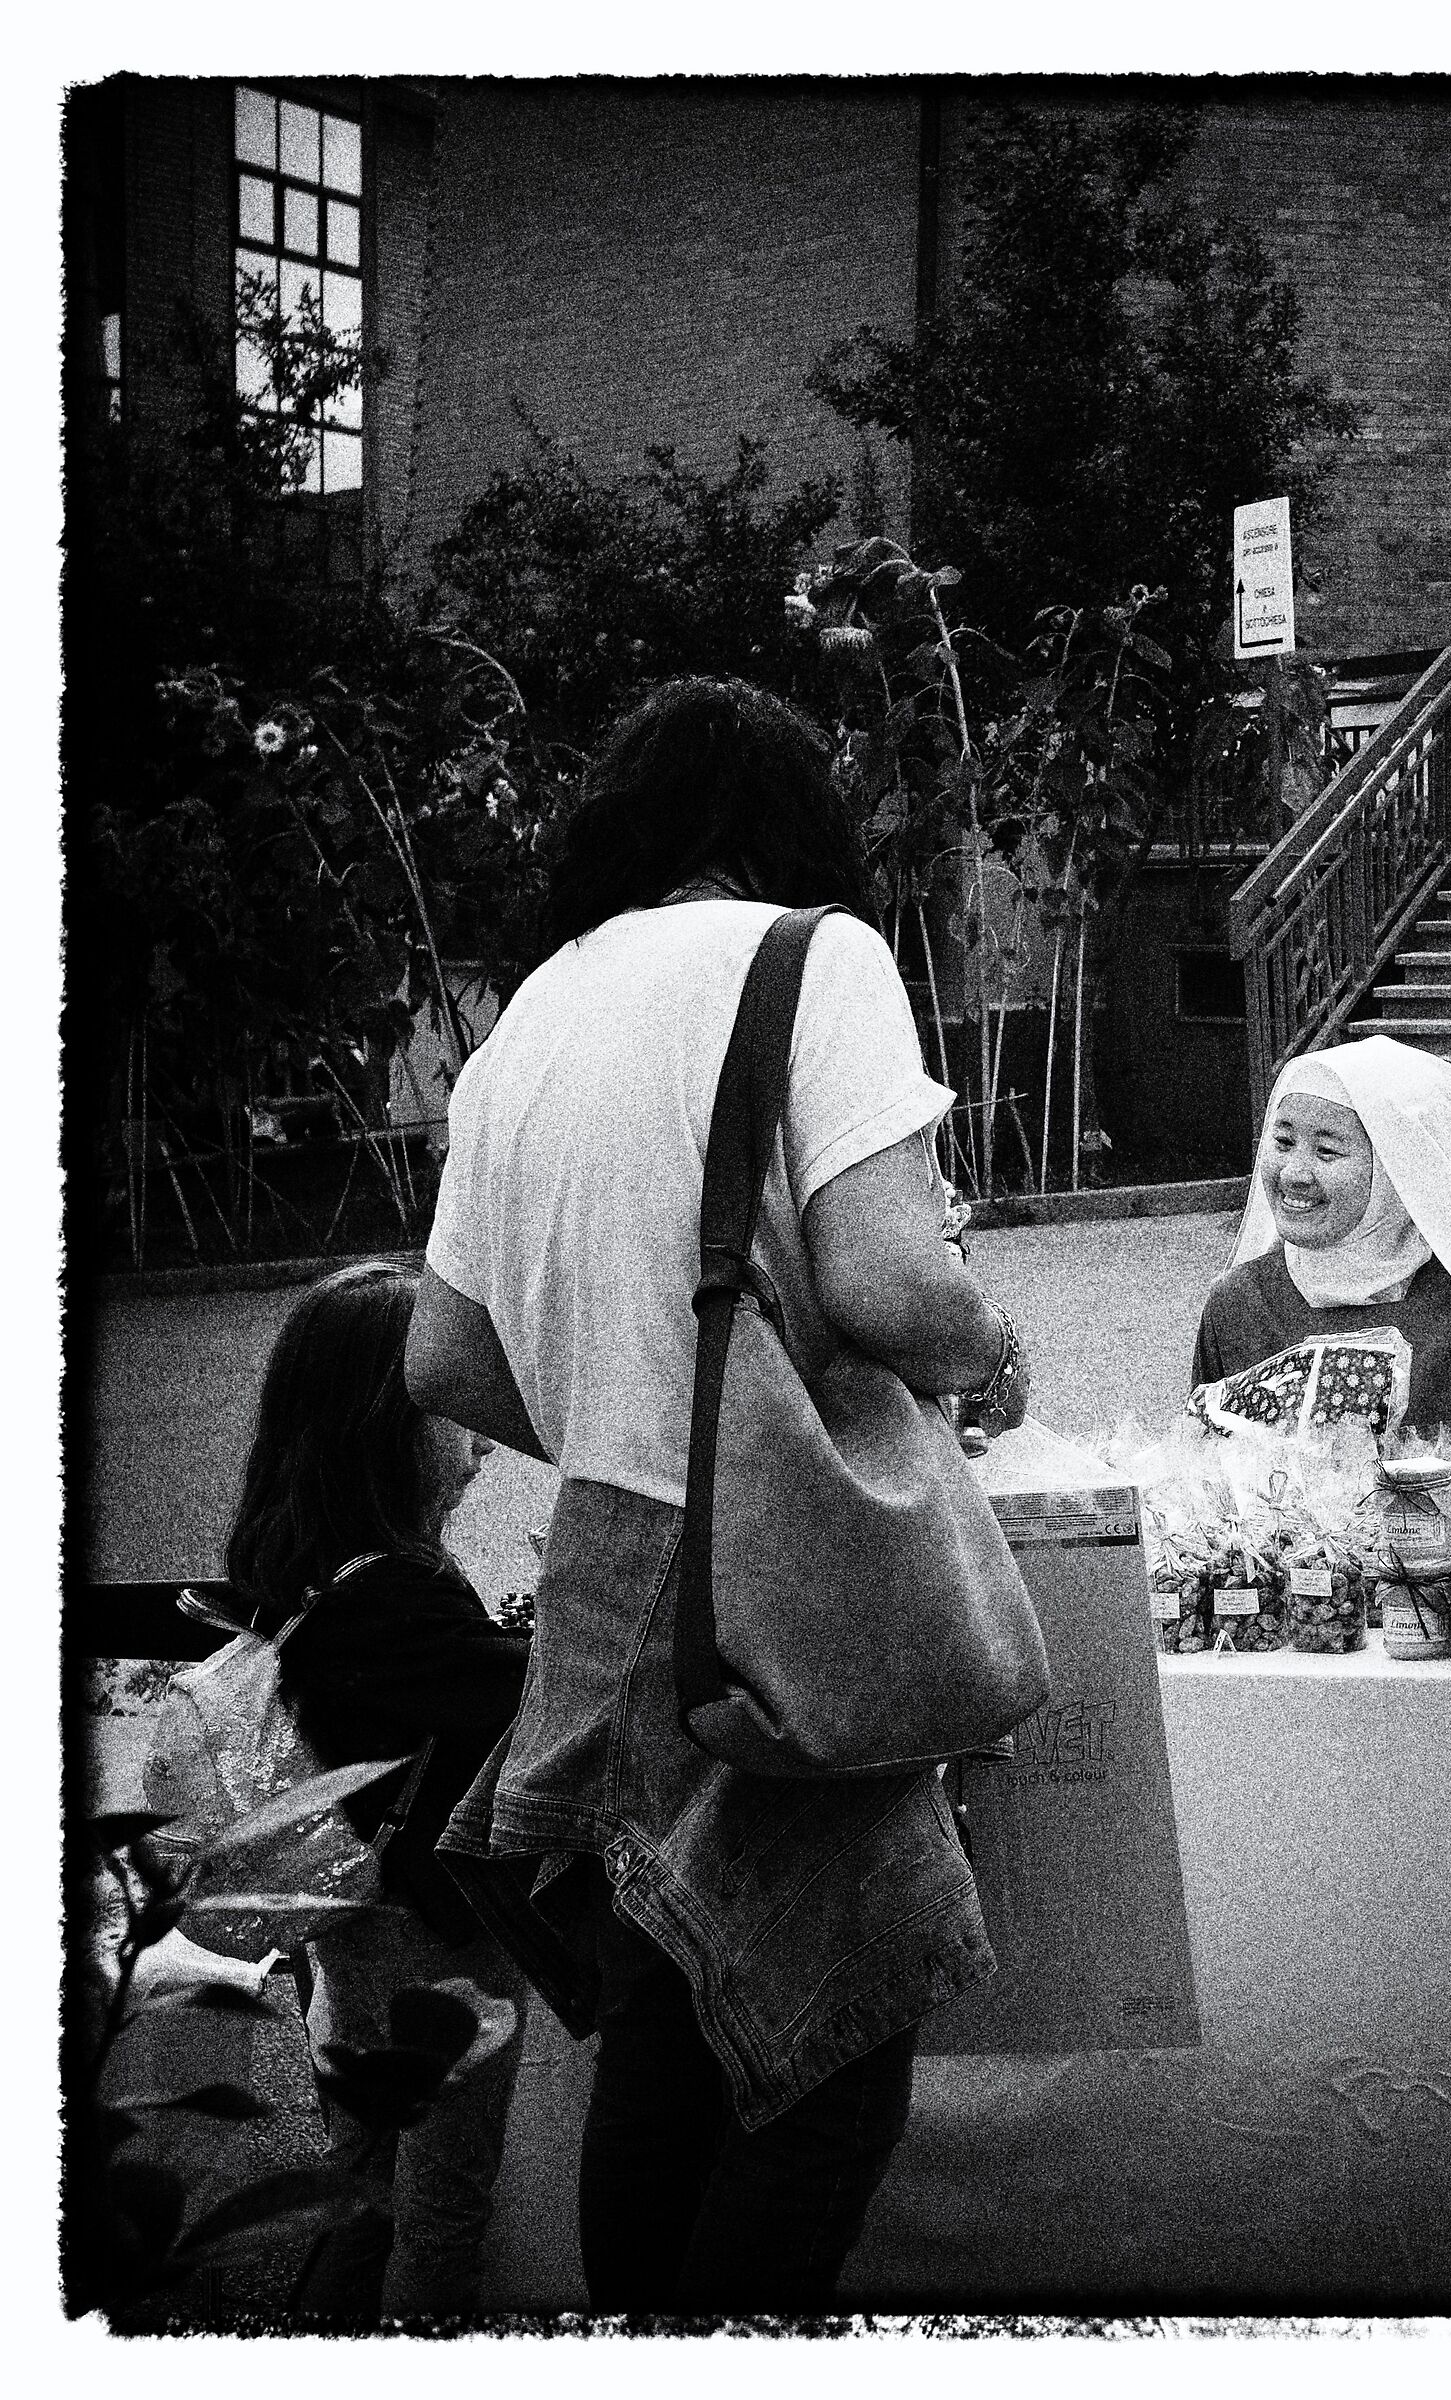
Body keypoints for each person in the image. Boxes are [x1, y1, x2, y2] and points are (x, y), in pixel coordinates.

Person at [404, 675, 1028, 2318]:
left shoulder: (526, 1019)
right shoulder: (811, 957)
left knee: (668, 2028)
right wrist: (990, 1342)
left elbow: (445, 1360)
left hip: (601, 1584)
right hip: (773, 1573)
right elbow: (893, 1285)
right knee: (825, 2052)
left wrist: (626, 1399)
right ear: (788, 834)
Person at [218, 1259, 532, 2320]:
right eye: (456, 1411)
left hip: (346, 1932)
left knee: (364, 2187)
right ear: (381, 1426)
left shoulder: (301, 1570)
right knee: (443, 2207)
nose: (484, 1438)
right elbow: (533, 1701)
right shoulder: (394, 1599)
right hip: (428, 1945)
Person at [1193, 1036, 1451, 1447]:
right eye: (1283, 1142)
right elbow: (1203, 1480)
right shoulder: (1238, 1306)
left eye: (1327, 1151)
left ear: (1398, 1168)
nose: (1294, 1173)